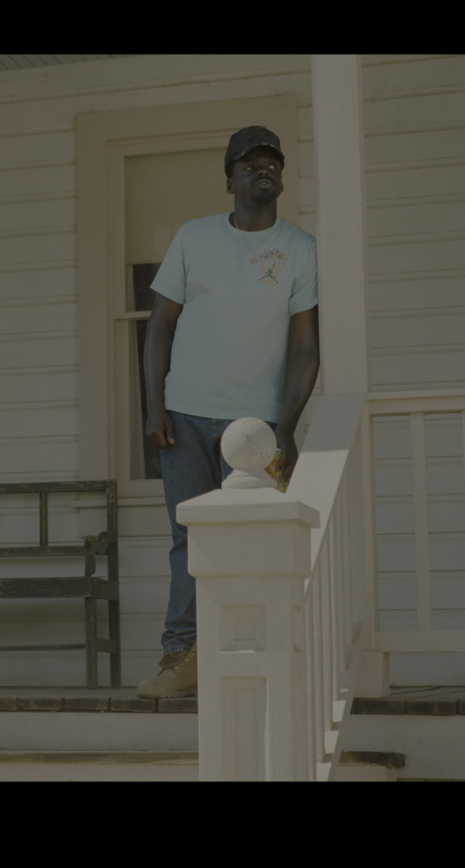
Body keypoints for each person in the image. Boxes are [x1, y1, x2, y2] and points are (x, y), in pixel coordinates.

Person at [136, 126, 321, 699]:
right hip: (186, 415)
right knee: (188, 539)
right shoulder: (193, 238)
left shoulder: (300, 248)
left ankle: (260, 658)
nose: (263, 170)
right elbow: (159, 328)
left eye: (272, 162)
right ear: (230, 180)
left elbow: (306, 347)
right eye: (250, 164)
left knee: (258, 539)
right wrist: (154, 407)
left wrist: (285, 428)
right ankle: (181, 660)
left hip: (257, 425)